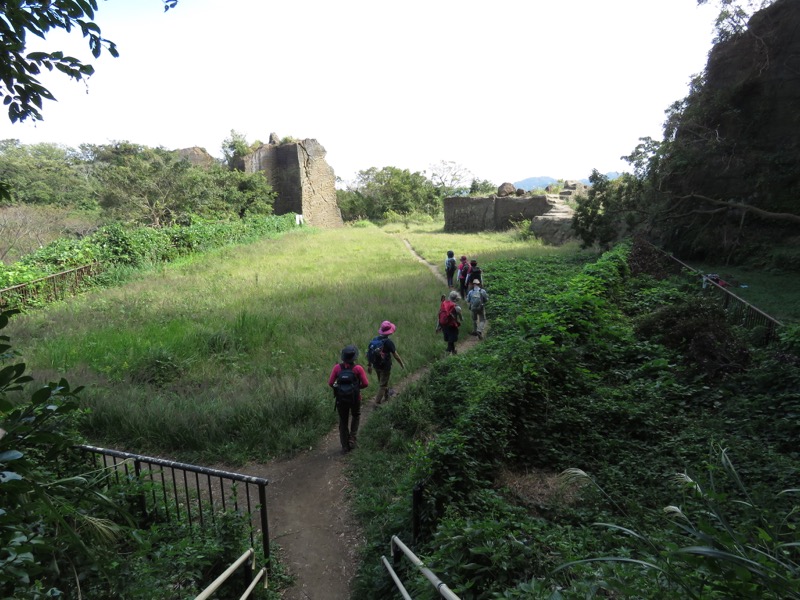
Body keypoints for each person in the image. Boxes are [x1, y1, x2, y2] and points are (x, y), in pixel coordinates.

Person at [328, 345, 369, 453]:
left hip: (341, 399)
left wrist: (340, 390)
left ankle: (344, 446)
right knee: (356, 415)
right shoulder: (358, 368)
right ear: (354, 357)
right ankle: (352, 437)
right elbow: (365, 383)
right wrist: (356, 388)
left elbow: (331, 383)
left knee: (343, 420)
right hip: (355, 398)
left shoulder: (337, 368)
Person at [367, 320, 406, 405]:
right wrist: (402, 364)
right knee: (383, 385)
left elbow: (369, 353)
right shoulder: (388, 342)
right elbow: (395, 355)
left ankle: (387, 395)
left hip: (376, 365)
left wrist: (369, 365)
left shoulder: (374, 340)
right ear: (389, 332)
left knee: (382, 381)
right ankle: (377, 402)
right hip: (385, 366)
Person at [436, 290, 463, 355]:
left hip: (444, 325)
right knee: (452, 337)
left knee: (449, 337)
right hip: (452, 325)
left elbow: (440, 315)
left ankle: (453, 351)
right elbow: (461, 318)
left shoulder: (443, 304)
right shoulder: (457, 308)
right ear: (456, 298)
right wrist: (461, 319)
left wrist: (438, 326)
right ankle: (448, 350)